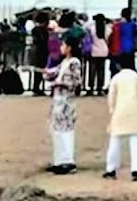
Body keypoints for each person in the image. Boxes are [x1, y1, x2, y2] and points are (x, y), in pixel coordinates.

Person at [38, 35, 83, 174]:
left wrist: (54, 83)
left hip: (66, 101)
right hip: (58, 100)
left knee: (66, 131)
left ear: (69, 47)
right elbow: (52, 72)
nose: (61, 47)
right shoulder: (65, 62)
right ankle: (59, 160)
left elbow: (75, 82)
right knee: (56, 130)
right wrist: (42, 72)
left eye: (64, 45)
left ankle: (68, 161)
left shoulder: (74, 62)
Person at [103, 53, 137, 182]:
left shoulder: (116, 78)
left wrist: (112, 111)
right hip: (134, 111)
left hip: (119, 111)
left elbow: (111, 97)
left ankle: (111, 169)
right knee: (136, 141)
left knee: (115, 141)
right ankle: (136, 170)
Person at [88, 13, 109, 95]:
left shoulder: (92, 28)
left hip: (94, 51)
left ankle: (91, 88)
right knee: (101, 71)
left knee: (92, 70)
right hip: (104, 51)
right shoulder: (107, 29)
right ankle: (99, 88)